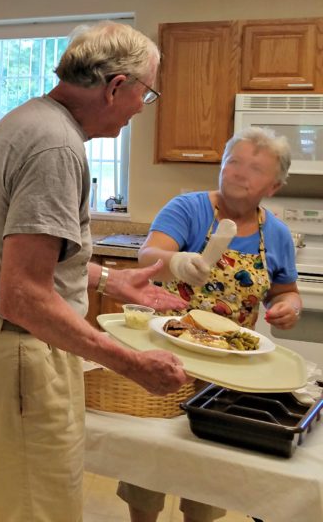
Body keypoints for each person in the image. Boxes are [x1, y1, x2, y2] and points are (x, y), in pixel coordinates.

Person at [0, 21, 190, 522]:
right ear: (117, 86)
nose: (143, 106)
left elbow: (23, 260)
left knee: (9, 502)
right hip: (12, 355)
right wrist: (131, 364)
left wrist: (106, 280)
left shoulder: (27, 121)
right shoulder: (56, 148)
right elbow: (24, 296)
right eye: (147, 93)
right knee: (36, 512)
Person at [118, 126, 302, 522]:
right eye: (233, 161)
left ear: (274, 186)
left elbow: (286, 290)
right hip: (167, 360)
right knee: (150, 462)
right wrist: (179, 263)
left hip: (228, 374)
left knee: (208, 470)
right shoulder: (188, 209)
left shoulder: (278, 234)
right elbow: (148, 255)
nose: (239, 172)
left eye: (254, 168)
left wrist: (289, 306)